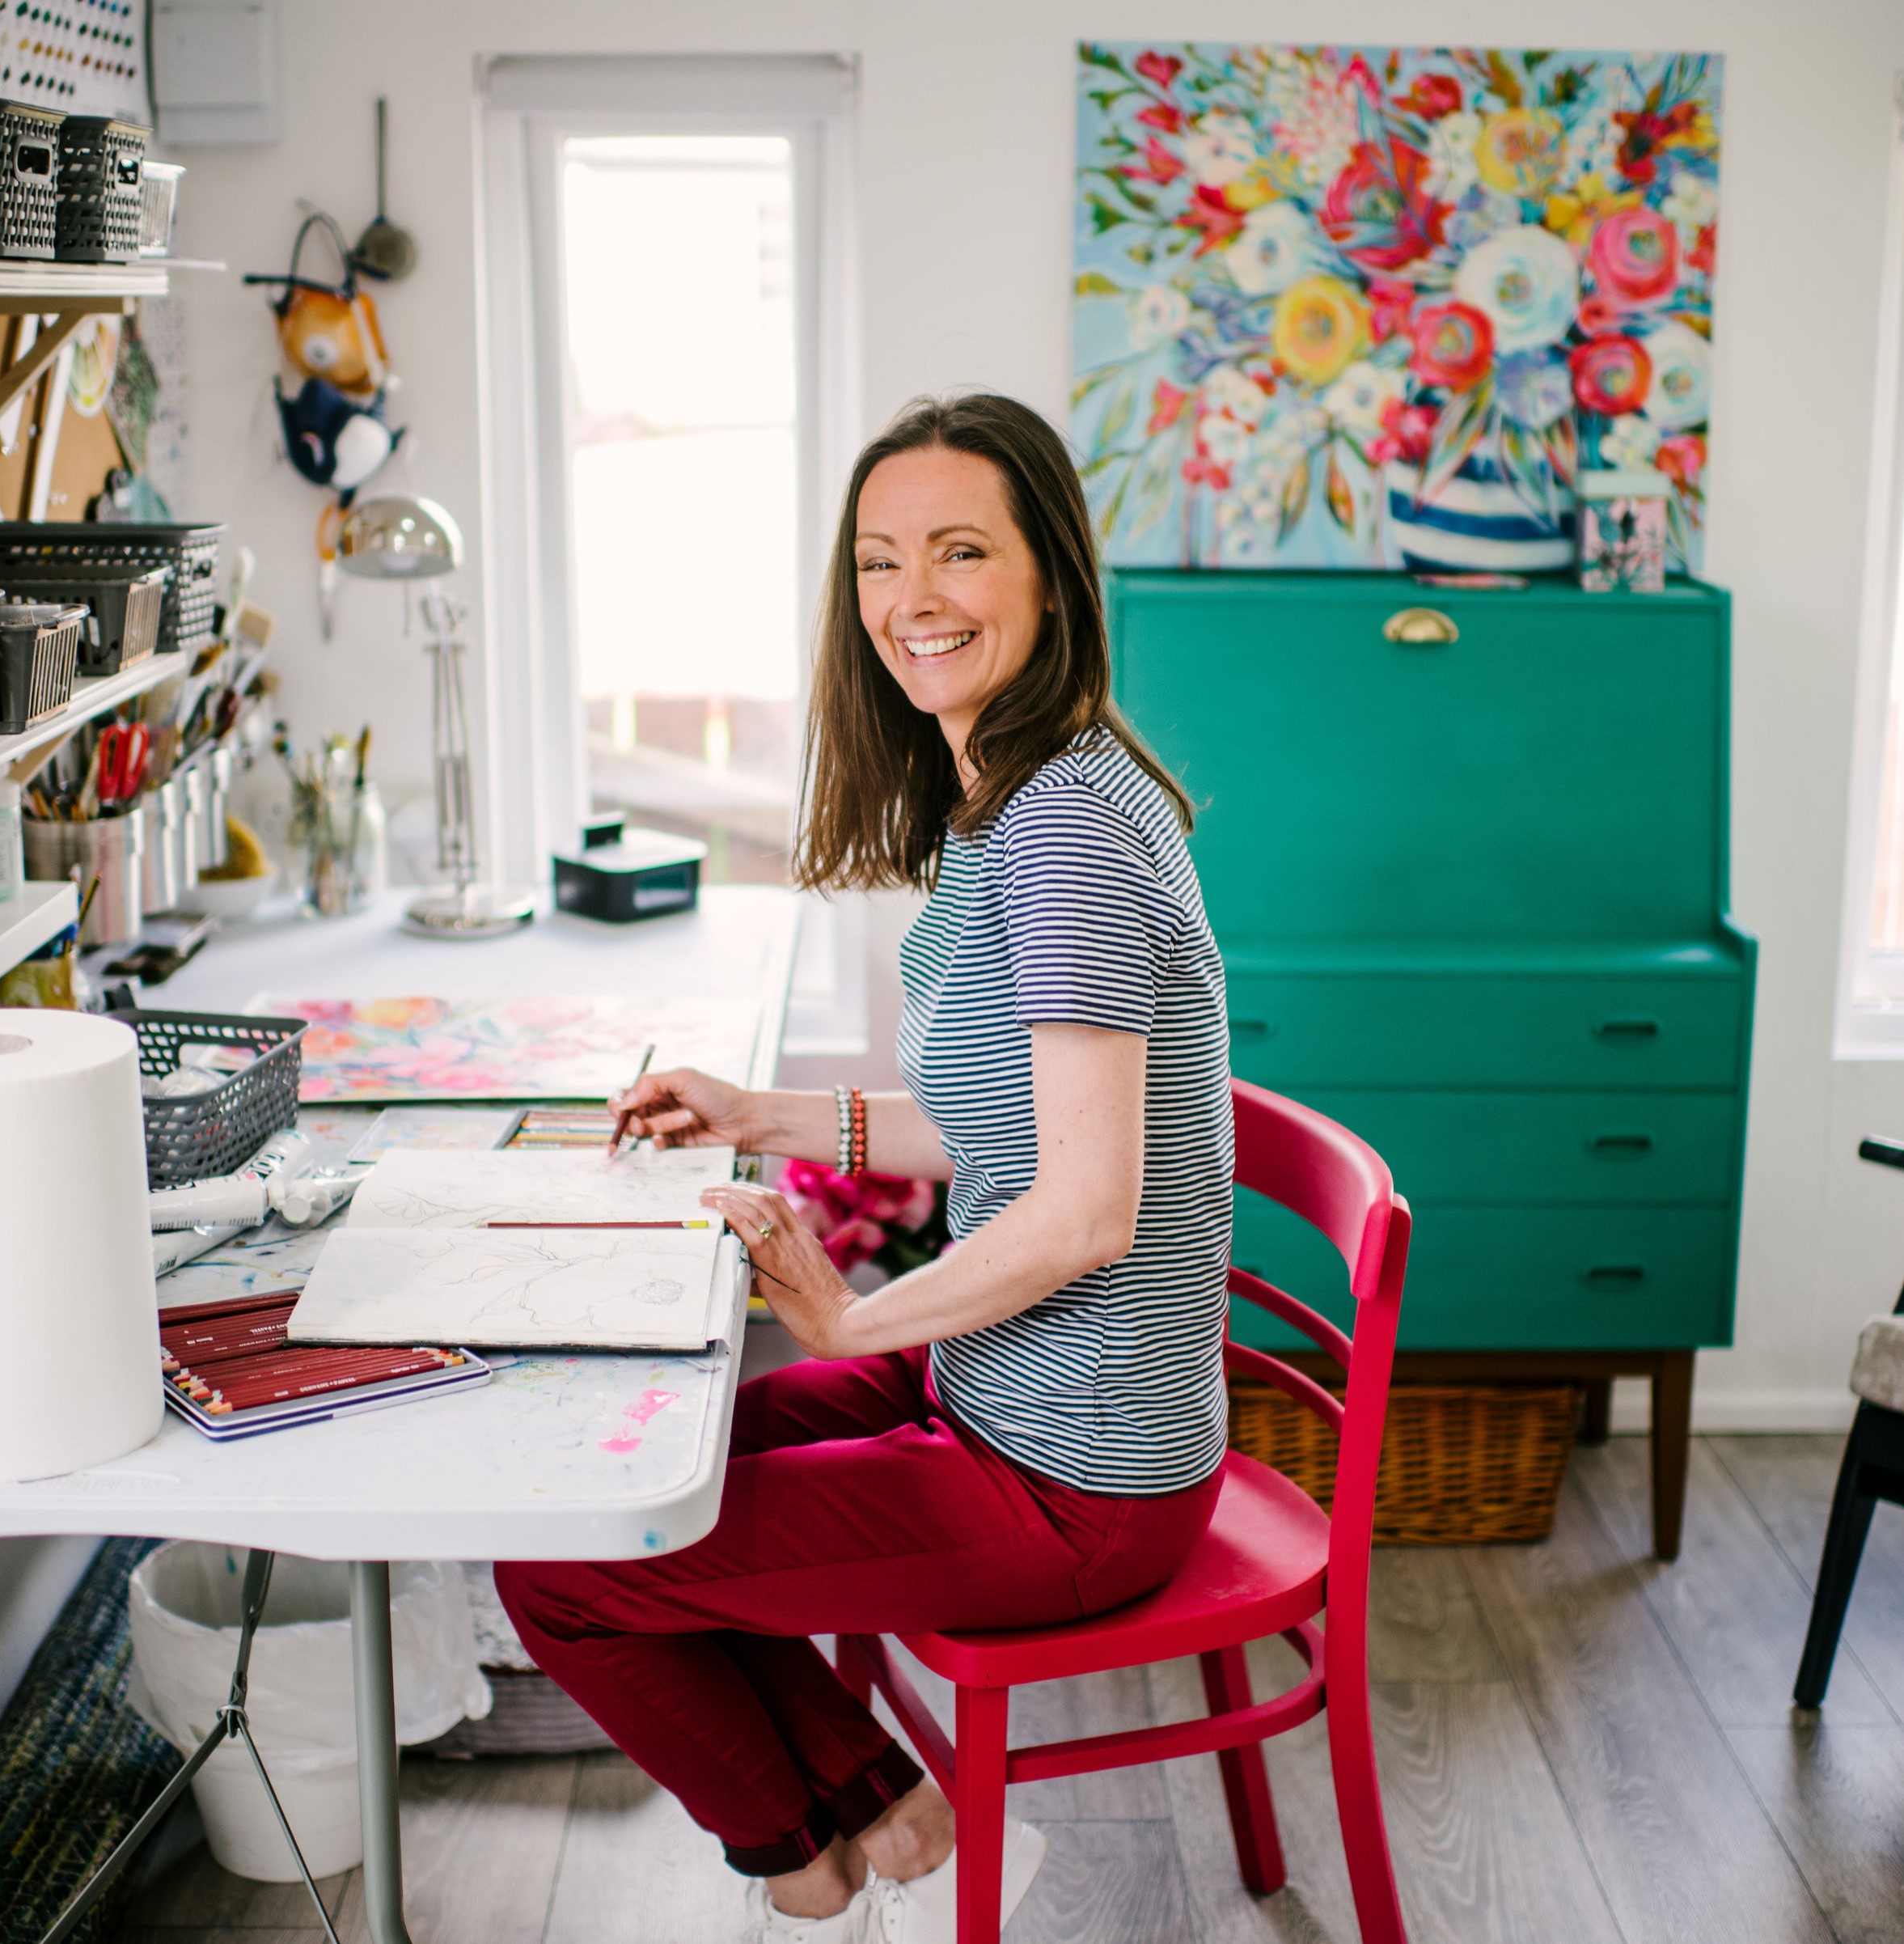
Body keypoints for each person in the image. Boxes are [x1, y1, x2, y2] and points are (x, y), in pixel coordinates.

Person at [495, 392, 1233, 1944]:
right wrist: (753, 1111)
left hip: (1073, 1477)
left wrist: (839, 1321)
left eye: (961, 552)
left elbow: (1086, 1214)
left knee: (565, 1573)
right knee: (622, 1497)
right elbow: (987, 1128)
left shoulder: (1069, 830)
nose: (912, 600)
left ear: (1051, 577)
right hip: (993, 1392)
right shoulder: (1012, 798)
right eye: (880, 562)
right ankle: (891, 1824)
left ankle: (810, 1860)